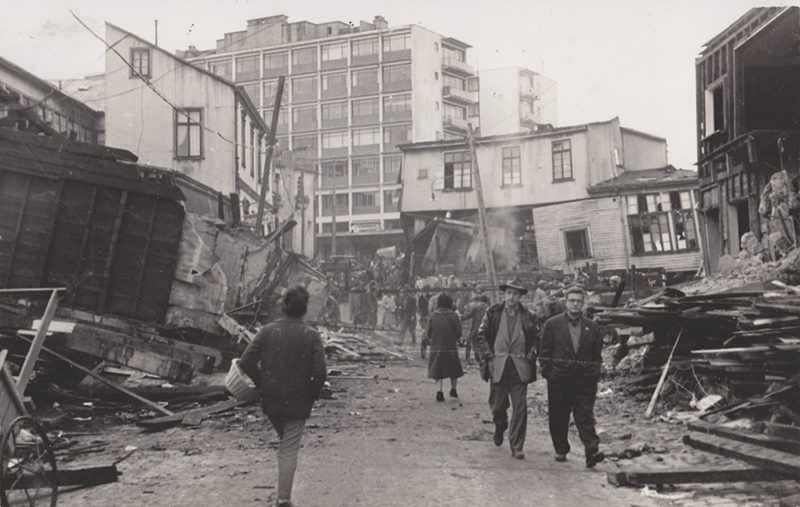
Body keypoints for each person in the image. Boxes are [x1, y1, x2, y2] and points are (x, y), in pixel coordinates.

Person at [239, 285, 327, 507]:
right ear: (304, 309)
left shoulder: (267, 331)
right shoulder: (311, 335)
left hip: (272, 400)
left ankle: (283, 493)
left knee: (285, 443)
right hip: (299, 400)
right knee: (289, 447)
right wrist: (313, 394)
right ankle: (283, 499)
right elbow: (320, 372)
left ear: (284, 306)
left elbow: (245, 361)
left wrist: (262, 384)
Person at [539, 286, 605, 468]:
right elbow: (544, 352)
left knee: (585, 416)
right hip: (559, 380)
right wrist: (550, 374)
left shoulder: (592, 326)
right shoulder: (552, 324)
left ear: (583, 304)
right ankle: (561, 448)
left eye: (579, 301)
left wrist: (594, 373)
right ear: (565, 302)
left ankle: (591, 451)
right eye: (572, 300)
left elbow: (596, 355)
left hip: (584, 380)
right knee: (559, 416)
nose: (575, 304)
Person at [476, 276, 540, 460]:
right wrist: (489, 355)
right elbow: (481, 335)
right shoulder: (493, 312)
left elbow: (537, 338)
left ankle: (517, 446)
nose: (511, 297)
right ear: (504, 294)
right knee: (497, 407)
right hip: (498, 366)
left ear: (520, 296)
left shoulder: (528, 316)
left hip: (520, 369)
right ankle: (500, 425)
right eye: (509, 293)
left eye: (515, 294)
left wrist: (530, 355)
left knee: (520, 407)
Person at [426, 292, 463, 401]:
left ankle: (439, 392)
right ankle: (453, 390)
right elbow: (459, 332)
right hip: (450, 346)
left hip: (436, 346)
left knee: (438, 369)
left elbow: (428, 333)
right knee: (454, 368)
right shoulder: (454, 315)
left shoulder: (433, 315)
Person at [460, 294, 489, 364]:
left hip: (475, 328)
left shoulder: (476, 307)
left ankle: (471, 357)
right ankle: (482, 357)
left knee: (473, 342)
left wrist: (461, 318)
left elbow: (467, 316)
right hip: (485, 328)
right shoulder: (489, 308)